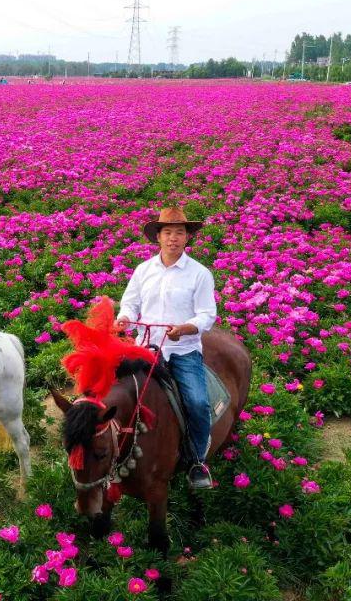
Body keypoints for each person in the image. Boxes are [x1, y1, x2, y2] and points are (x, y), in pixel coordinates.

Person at [116, 207, 217, 489]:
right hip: (144, 348)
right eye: (168, 232)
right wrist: (124, 318)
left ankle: (197, 460)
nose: (174, 238)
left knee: (197, 402)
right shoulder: (143, 270)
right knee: (116, 396)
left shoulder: (199, 274)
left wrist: (184, 328)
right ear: (158, 237)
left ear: (188, 238)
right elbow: (130, 303)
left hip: (182, 350)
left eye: (180, 233)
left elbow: (207, 315)